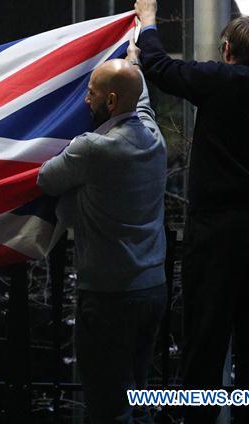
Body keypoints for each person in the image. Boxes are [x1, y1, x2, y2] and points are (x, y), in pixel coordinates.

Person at [134, 0, 249, 423]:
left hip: (219, 226)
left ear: (227, 49)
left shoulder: (221, 80)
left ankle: (198, 416)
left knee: (206, 330)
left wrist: (149, 20)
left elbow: (160, 69)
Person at [38, 55, 168, 423]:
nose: (85, 100)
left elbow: (46, 179)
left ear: (110, 102)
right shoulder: (152, 135)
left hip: (108, 297)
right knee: (136, 394)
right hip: (151, 288)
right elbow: (139, 98)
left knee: (108, 406)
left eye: (91, 93)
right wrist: (134, 53)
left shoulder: (92, 148)